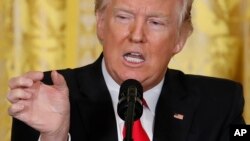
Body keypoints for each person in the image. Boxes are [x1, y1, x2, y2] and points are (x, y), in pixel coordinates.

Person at [7, 0, 245, 141]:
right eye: (123, 17)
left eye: (156, 22)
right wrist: (55, 136)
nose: (137, 35)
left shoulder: (219, 103)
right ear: (100, 23)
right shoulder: (46, 97)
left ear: (180, 39)